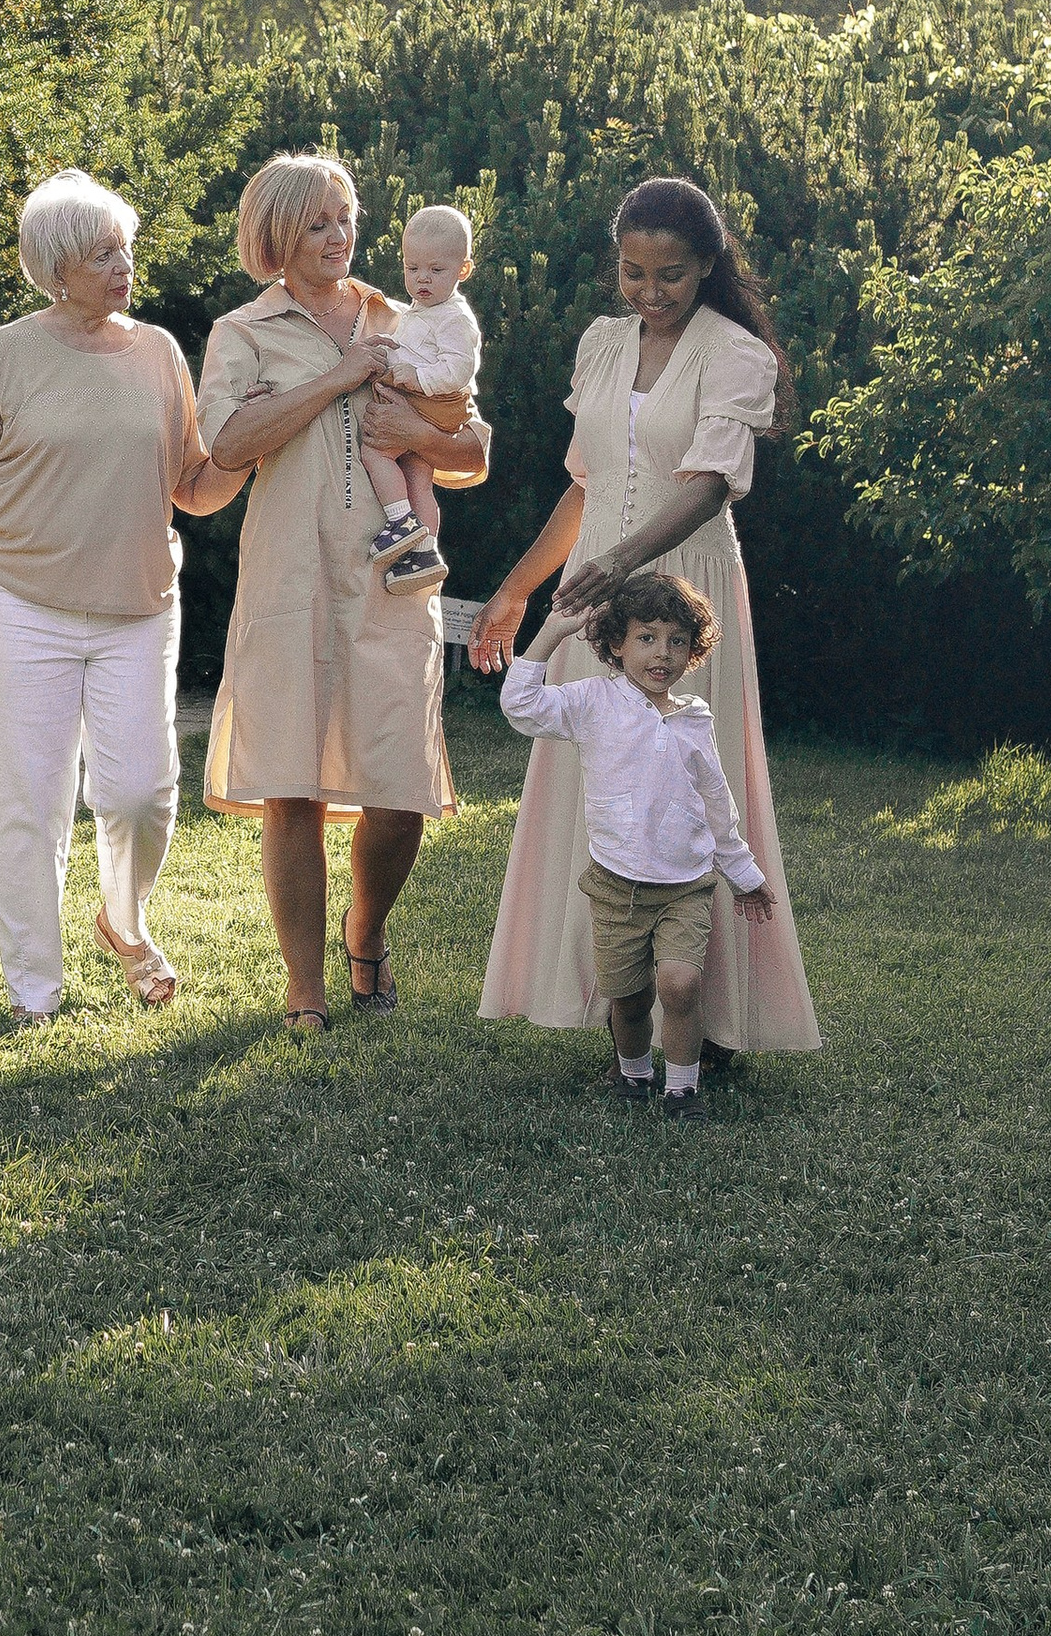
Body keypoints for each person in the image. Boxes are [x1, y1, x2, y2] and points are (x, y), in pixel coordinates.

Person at [469, 173, 821, 1068]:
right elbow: (585, 487)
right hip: (596, 597)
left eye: (669, 275)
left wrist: (622, 566)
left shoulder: (736, 354)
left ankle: (709, 1023)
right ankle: (609, 1004)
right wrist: (517, 589)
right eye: (632, 273)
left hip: (682, 591)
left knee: (687, 786)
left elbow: (707, 485)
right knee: (598, 775)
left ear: (705, 266)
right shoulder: (600, 344)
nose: (649, 292)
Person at [0, 172, 241, 1027]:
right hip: (22, 605)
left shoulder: (157, 351)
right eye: (100, 254)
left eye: (125, 248)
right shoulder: (7, 353)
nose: (123, 266)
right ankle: (34, 994)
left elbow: (191, 485)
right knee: (30, 803)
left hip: (139, 608)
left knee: (142, 795)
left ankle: (123, 921)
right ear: (55, 269)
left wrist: (258, 443)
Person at [197, 152, 490, 1027]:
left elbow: (474, 447)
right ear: (278, 233)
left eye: (346, 217)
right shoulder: (242, 333)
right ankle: (306, 988)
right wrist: (339, 377)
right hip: (291, 577)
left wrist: (417, 432)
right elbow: (223, 441)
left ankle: (367, 929)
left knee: (400, 792)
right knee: (292, 785)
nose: (339, 235)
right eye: (319, 221)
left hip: (394, 582)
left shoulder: (402, 314)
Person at [498, 570, 776, 1110]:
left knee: (679, 986)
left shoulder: (695, 718)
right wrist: (551, 633)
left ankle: (682, 1087)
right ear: (617, 644)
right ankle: (633, 1074)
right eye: (647, 637)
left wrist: (744, 875)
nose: (662, 653)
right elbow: (521, 706)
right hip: (616, 884)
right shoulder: (593, 703)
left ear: (692, 651)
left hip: (685, 886)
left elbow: (717, 803)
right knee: (627, 997)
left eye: (677, 641)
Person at [357, 203, 483, 594]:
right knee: (418, 477)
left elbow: (460, 368)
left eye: (436, 270)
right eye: (413, 269)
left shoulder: (454, 317)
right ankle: (425, 551)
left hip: (436, 403)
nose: (422, 279)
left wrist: (417, 378)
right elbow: (415, 350)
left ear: (463, 270)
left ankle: (399, 520)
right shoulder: (423, 310)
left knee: (375, 452)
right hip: (427, 403)